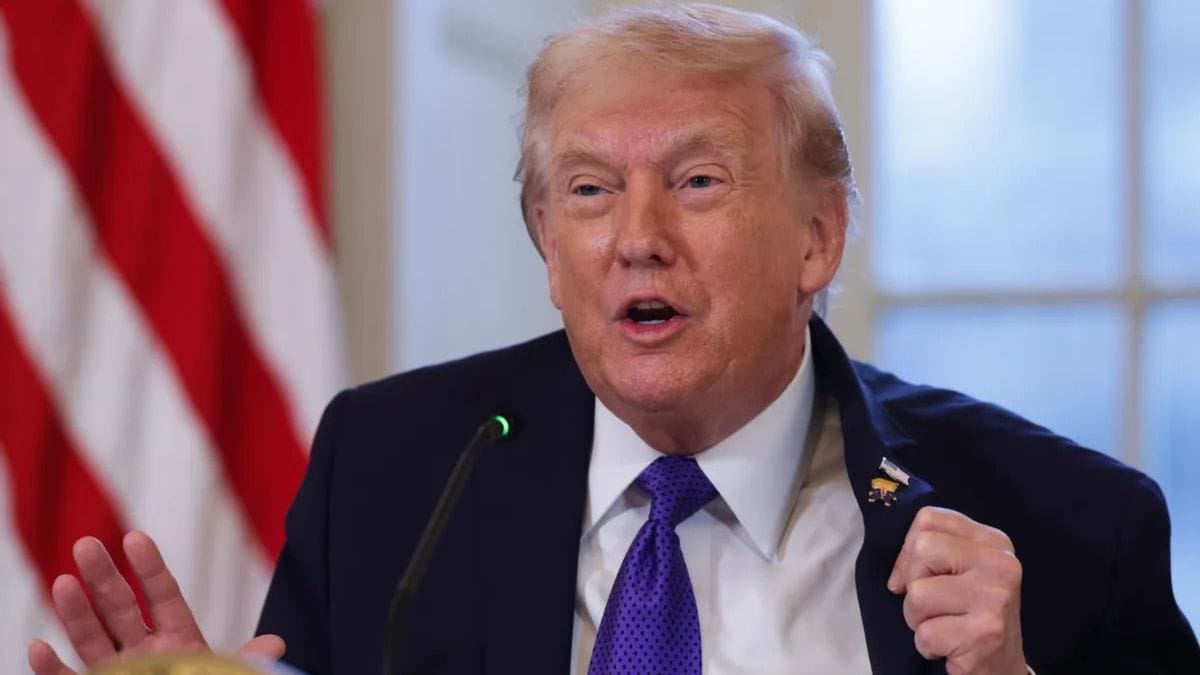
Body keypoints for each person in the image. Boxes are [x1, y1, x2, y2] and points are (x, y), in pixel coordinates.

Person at [27, 4, 1200, 675]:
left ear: (817, 241)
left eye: (696, 181)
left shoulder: (1068, 528)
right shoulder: (393, 475)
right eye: (588, 193)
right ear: (546, 243)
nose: (636, 239)